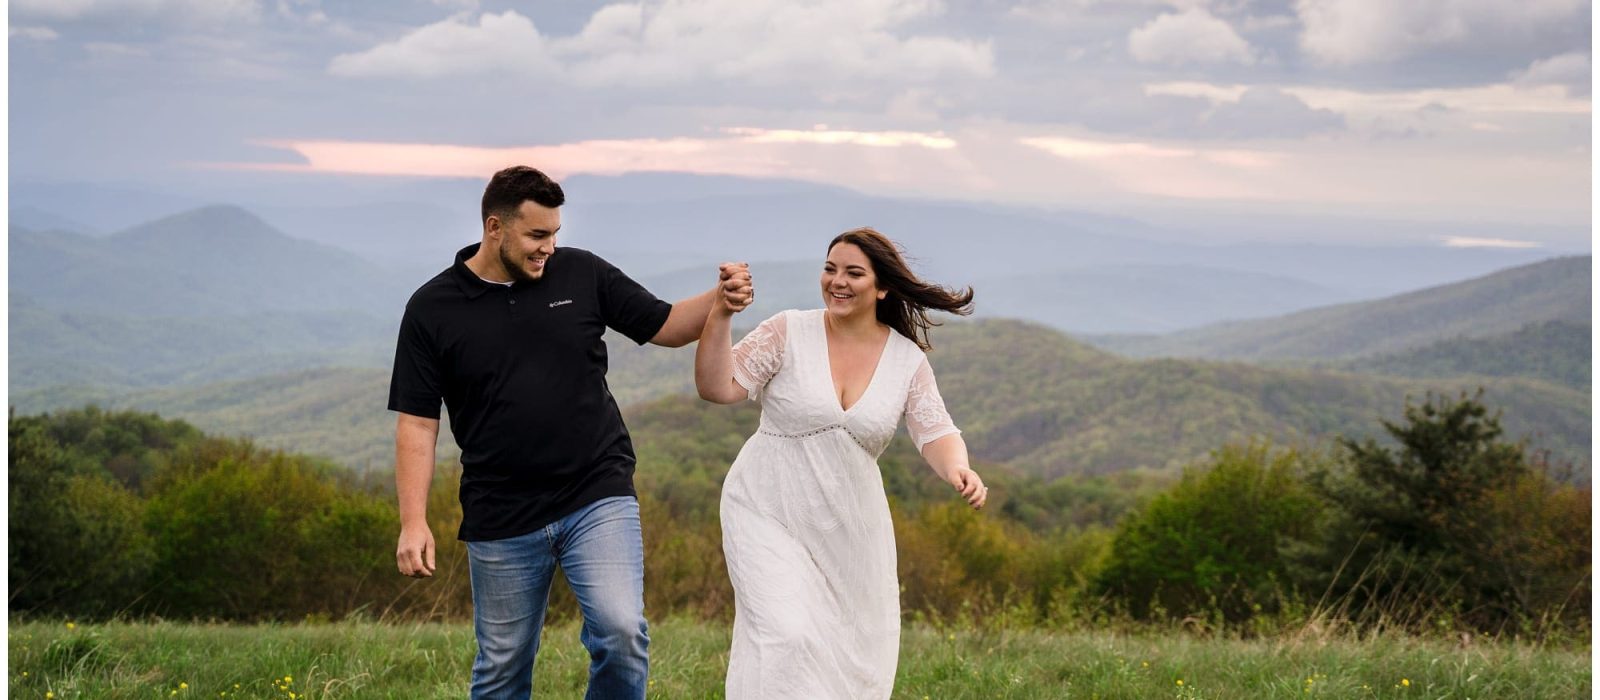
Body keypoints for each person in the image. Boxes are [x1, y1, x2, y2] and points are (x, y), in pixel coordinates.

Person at [387, 165, 752, 700]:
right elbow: (418, 424)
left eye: (555, 234)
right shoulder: (431, 308)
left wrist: (720, 298)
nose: (549, 248)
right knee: (503, 666)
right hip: (500, 509)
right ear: (495, 228)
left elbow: (668, 324)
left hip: (595, 491)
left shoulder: (582, 273)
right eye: (537, 235)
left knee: (622, 631)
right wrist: (413, 522)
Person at [694, 226, 987, 698]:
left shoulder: (905, 359)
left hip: (850, 529)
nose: (838, 281)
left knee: (849, 653)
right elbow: (717, 386)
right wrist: (722, 313)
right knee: (787, 635)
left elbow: (936, 430)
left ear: (882, 287)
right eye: (830, 269)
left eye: (854, 273)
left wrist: (959, 468)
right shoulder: (788, 330)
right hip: (765, 508)